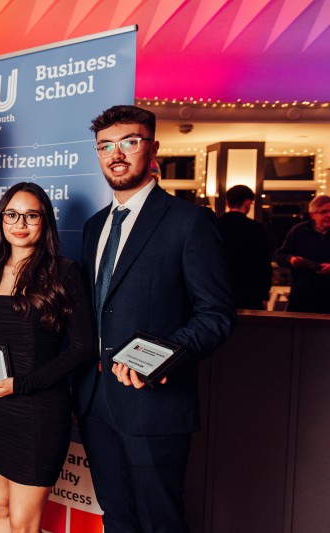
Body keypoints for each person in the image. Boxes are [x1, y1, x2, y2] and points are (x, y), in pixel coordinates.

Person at [74, 105, 236, 532]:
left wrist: (165, 357)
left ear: (153, 148)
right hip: (96, 403)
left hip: (154, 405)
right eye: (105, 145)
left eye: (129, 142)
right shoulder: (94, 227)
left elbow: (216, 314)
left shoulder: (188, 222)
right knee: (116, 517)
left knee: (160, 520)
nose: (116, 154)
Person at [0, 182, 94, 533]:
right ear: (1, 220)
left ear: (45, 222)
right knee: (1, 510)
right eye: (12, 214)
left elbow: (83, 348)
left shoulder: (63, 272)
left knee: (25, 526)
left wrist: (23, 384)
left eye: (31, 215)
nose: (20, 223)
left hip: (38, 411)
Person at [217, 184, 272, 309]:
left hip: (219, 291)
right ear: (247, 203)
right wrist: (264, 294)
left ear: (227, 203)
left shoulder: (215, 225)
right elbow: (263, 264)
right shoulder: (256, 228)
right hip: (249, 293)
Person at [275, 194, 330, 313]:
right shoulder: (299, 231)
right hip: (302, 297)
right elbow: (280, 256)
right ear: (312, 215)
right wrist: (291, 259)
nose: (329, 215)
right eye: (324, 212)